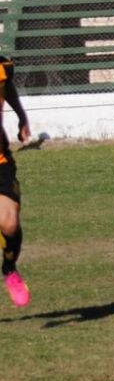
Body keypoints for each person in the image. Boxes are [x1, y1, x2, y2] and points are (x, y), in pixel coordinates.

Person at [0, 56, 31, 307]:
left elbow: (7, 87)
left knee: (10, 224)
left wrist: (21, 116)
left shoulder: (3, 68)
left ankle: (9, 268)